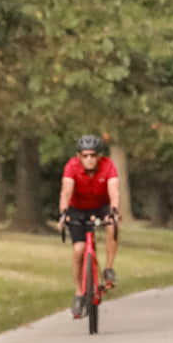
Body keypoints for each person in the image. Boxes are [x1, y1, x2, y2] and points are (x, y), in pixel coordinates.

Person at [57, 134, 120, 318]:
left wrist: (114, 210)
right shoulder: (71, 166)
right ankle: (79, 293)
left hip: (101, 206)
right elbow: (66, 192)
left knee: (112, 224)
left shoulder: (108, 165)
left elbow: (114, 191)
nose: (89, 159)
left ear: (99, 156)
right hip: (77, 209)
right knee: (79, 250)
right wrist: (64, 213)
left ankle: (108, 268)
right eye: (85, 156)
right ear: (79, 156)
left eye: (93, 155)